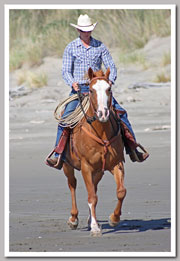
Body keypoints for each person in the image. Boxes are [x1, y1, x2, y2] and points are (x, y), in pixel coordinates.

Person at [46, 14, 149, 169]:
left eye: (88, 30)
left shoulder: (100, 46)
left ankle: (133, 148)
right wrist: (72, 83)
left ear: (91, 30)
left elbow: (111, 67)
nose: (86, 33)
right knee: (66, 118)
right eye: (83, 30)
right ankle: (58, 154)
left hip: (100, 88)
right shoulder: (71, 48)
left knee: (121, 113)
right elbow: (66, 71)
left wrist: (109, 81)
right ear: (78, 30)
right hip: (79, 90)